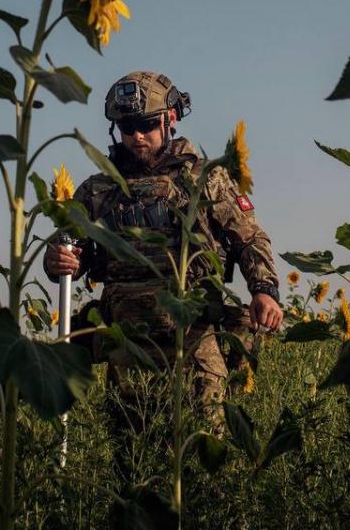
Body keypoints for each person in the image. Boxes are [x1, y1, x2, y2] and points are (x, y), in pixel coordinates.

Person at [43, 71, 282, 470]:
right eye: (128, 128)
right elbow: (66, 250)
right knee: (134, 464)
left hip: (193, 342)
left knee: (204, 459)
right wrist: (59, 260)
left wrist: (264, 289)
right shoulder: (97, 191)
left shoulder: (204, 178)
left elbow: (248, 236)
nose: (137, 136)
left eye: (147, 125)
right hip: (128, 347)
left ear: (170, 119)